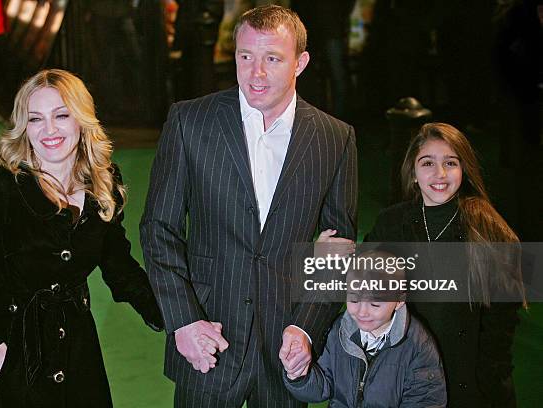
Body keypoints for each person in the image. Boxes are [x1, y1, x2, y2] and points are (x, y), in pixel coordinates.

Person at [140, 4, 358, 407]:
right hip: (207, 336)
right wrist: (183, 321)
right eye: (246, 57)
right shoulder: (190, 121)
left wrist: (307, 329)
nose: (255, 73)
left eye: (272, 59)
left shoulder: (335, 139)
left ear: (301, 62)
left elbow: (337, 250)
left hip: (285, 345)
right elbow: (158, 229)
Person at [0, 69, 163, 408]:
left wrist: (177, 317)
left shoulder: (102, 183)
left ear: (82, 120)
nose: (50, 130)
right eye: (35, 119)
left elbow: (119, 267)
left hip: (77, 345)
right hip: (12, 347)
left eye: (61, 115)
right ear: (23, 127)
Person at [365, 122, 525, 407]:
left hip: (468, 383)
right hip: (406, 380)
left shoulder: (489, 231)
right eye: (427, 163)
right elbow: (362, 291)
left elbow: (500, 332)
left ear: (463, 171)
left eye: (450, 163)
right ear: (413, 172)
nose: (439, 174)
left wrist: (486, 385)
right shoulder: (391, 224)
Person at [282, 250, 447, 407]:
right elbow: (321, 386)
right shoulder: (338, 331)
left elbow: (426, 400)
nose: (362, 312)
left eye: (375, 304)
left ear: (399, 300)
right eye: (353, 300)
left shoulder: (418, 345)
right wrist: (300, 375)